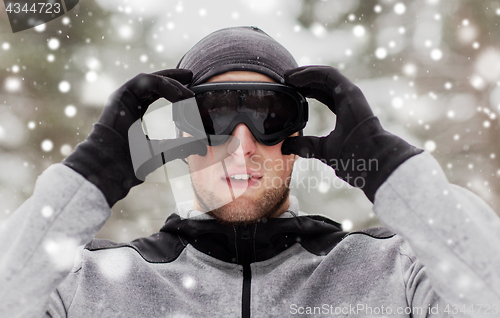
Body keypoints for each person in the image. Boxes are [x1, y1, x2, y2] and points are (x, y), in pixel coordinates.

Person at [1, 26, 499, 318]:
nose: (242, 146)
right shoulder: (90, 286)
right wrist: (89, 177)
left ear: (298, 135)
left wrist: (390, 167)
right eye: (213, 118)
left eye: (269, 116)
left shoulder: (394, 274)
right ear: (182, 136)